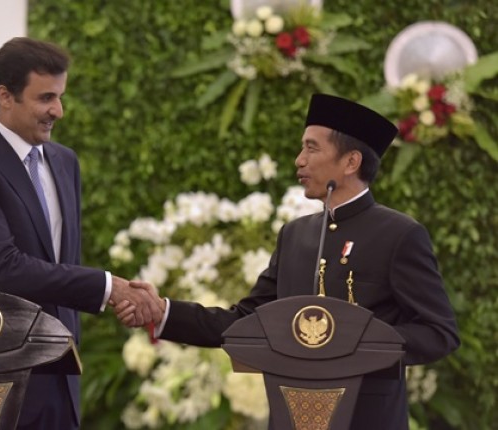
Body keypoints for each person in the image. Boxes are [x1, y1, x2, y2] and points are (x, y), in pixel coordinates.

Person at [117, 94, 460, 430]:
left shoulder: (400, 234)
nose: (299, 159)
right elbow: (246, 321)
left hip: (368, 417)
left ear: (351, 162)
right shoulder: (295, 234)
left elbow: (439, 331)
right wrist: (164, 312)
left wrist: (360, 344)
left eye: (312, 148)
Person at [0, 37, 161, 429]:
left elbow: (59, 268)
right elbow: (0, 269)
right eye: (46, 98)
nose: (59, 110)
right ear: (5, 96)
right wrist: (107, 288)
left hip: (58, 384)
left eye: (60, 96)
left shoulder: (64, 162)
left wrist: (116, 296)